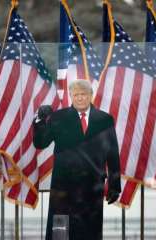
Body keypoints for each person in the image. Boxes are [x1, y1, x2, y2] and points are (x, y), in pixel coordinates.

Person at [33, 79, 121, 240]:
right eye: (76, 95)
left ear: (91, 95)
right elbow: (40, 143)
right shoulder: (58, 117)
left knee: (90, 232)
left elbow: (113, 154)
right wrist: (40, 122)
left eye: (84, 94)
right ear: (71, 96)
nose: (80, 98)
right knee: (60, 232)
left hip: (92, 186)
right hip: (63, 187)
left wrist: (115, 184)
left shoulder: (104, 119)